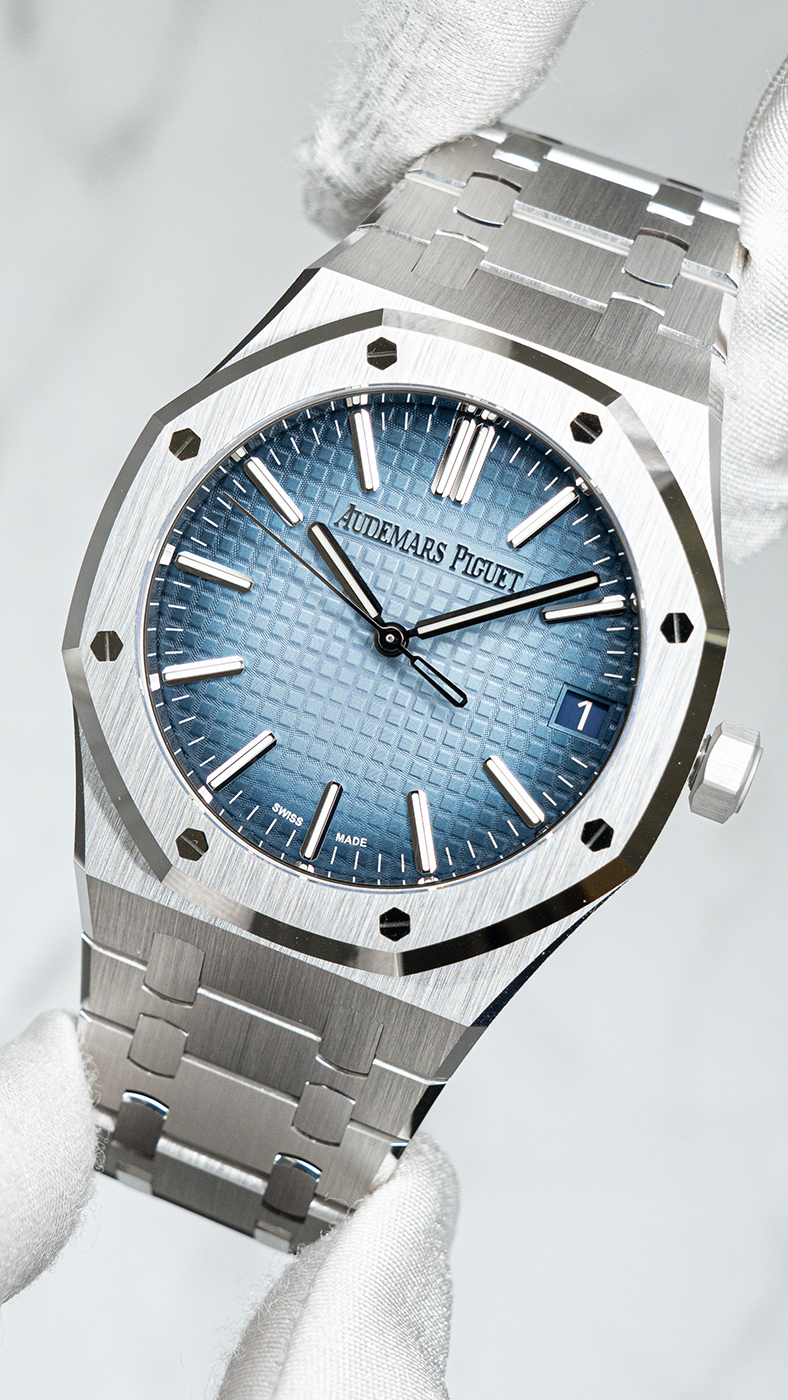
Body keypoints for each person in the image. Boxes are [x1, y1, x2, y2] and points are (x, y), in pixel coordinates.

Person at [1, 3, 786, 1395]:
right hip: (168, 870)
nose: (392, 632)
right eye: (386, 624)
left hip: (390, 955)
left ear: (692, 761)